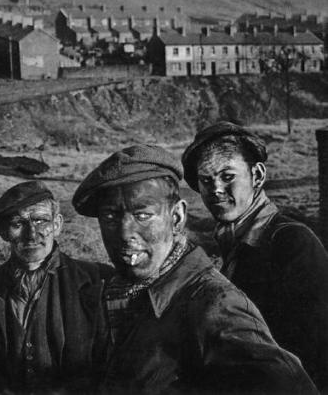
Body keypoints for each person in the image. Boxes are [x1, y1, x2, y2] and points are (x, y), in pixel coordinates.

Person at [72, 144, 317, 394]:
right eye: (110, 216)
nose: (124, 233)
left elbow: (292, 387)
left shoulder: (215, 304)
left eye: (143, 215)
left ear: (177, 218)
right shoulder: (115, 292)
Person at [182, 121, 328, 392]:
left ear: (257, 176)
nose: (215, 189)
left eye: (227, 176)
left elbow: (316, 352)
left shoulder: (292, 243)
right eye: (206, 180)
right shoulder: (229, 245)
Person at [0, 180, 114, 395]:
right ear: (4, 232)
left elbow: (117, 362)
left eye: (40, 221)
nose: (31, 234)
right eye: (18, 224)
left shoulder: (98, 281)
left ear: (57, 225)